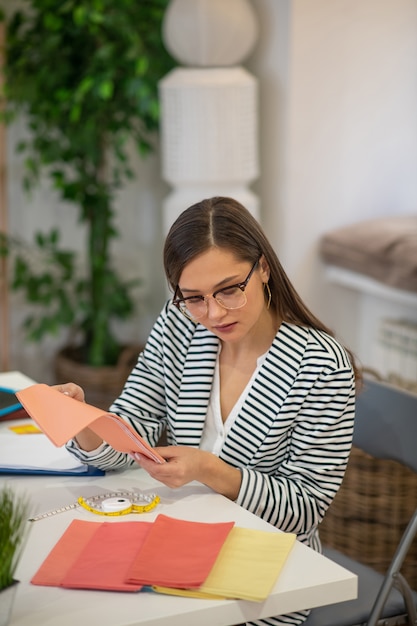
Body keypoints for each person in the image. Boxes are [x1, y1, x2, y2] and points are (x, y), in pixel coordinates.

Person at [61, 196, 359, 626]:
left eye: (229, 290)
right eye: (194, 297)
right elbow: (130, 433)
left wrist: (209, 469)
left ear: (263, 268)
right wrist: (85, 422)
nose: (214, 313)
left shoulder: (320, 365)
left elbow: (305, 507)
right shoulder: (180, 325)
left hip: (264, 565)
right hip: (172, 541)